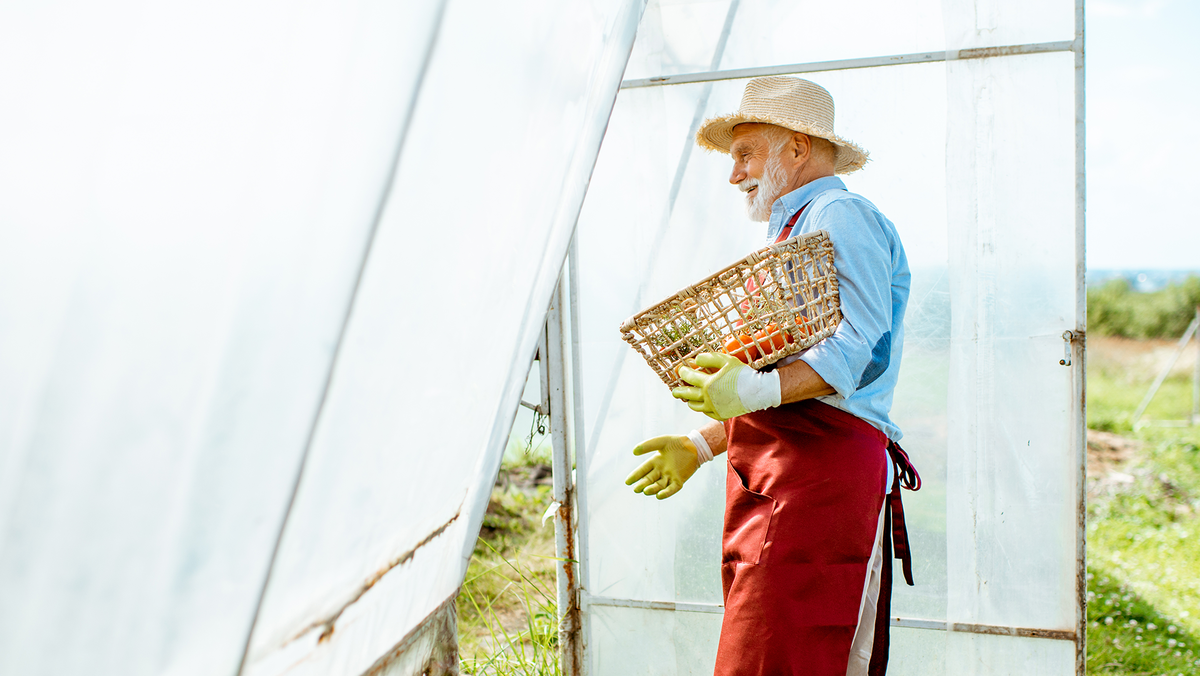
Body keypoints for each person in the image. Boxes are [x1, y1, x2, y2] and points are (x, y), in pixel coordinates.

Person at [624, 76, 920, 676]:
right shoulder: (793, 228)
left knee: (792, 658)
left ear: (796, 148)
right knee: (757, 650)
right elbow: (775, 376)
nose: (734, 174)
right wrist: (704, 443)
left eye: (745, 153)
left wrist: (753, 390)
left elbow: (857, 350)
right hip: (777, 470)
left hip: (822, 472)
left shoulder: (841, 215)